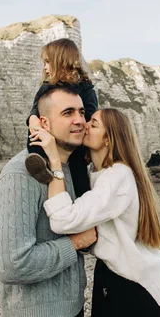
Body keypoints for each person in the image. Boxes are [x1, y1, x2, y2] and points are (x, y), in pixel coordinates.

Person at [31, 108, 160, 317]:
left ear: (108, 139)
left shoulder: (117, 176)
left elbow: (62, 220)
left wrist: (54, 161)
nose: (84, 125)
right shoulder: (96, 174)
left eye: (93, 124)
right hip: (119, 275)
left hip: (137, 286)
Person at [0, 86, 97, 317]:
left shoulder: (71, 171)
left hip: (73, 307)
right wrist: (76, 243)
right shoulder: (20, 174)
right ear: (44, 123)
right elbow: (12, 265)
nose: (80, 120)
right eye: (68, 113)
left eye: (82, 112)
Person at [25, 38, 98, 199]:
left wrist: (88, 147)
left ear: (60, 61)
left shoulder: (86, 89)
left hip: (75, 144)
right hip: (47, 134)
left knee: (80, 181)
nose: (45, 67)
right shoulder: (47, 87)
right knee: (35, 136)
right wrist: (32, 118)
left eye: (47, 62)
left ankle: (82, 204)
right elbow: (36, 107)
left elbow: (90, 116)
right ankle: (39, 161)